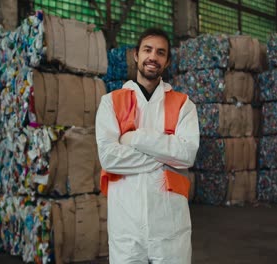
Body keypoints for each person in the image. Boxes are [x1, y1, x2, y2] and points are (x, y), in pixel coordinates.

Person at [95, 28, 200, 264]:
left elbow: (187, 155)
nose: (153, 57)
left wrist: (135, 138)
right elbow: (110, 159)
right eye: (148, 50)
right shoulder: (111, 102)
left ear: (167, 61)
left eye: (161, 52)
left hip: (170, 223)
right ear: (136, 55)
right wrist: (164, 155)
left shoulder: (183, 105)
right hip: (126, 224)